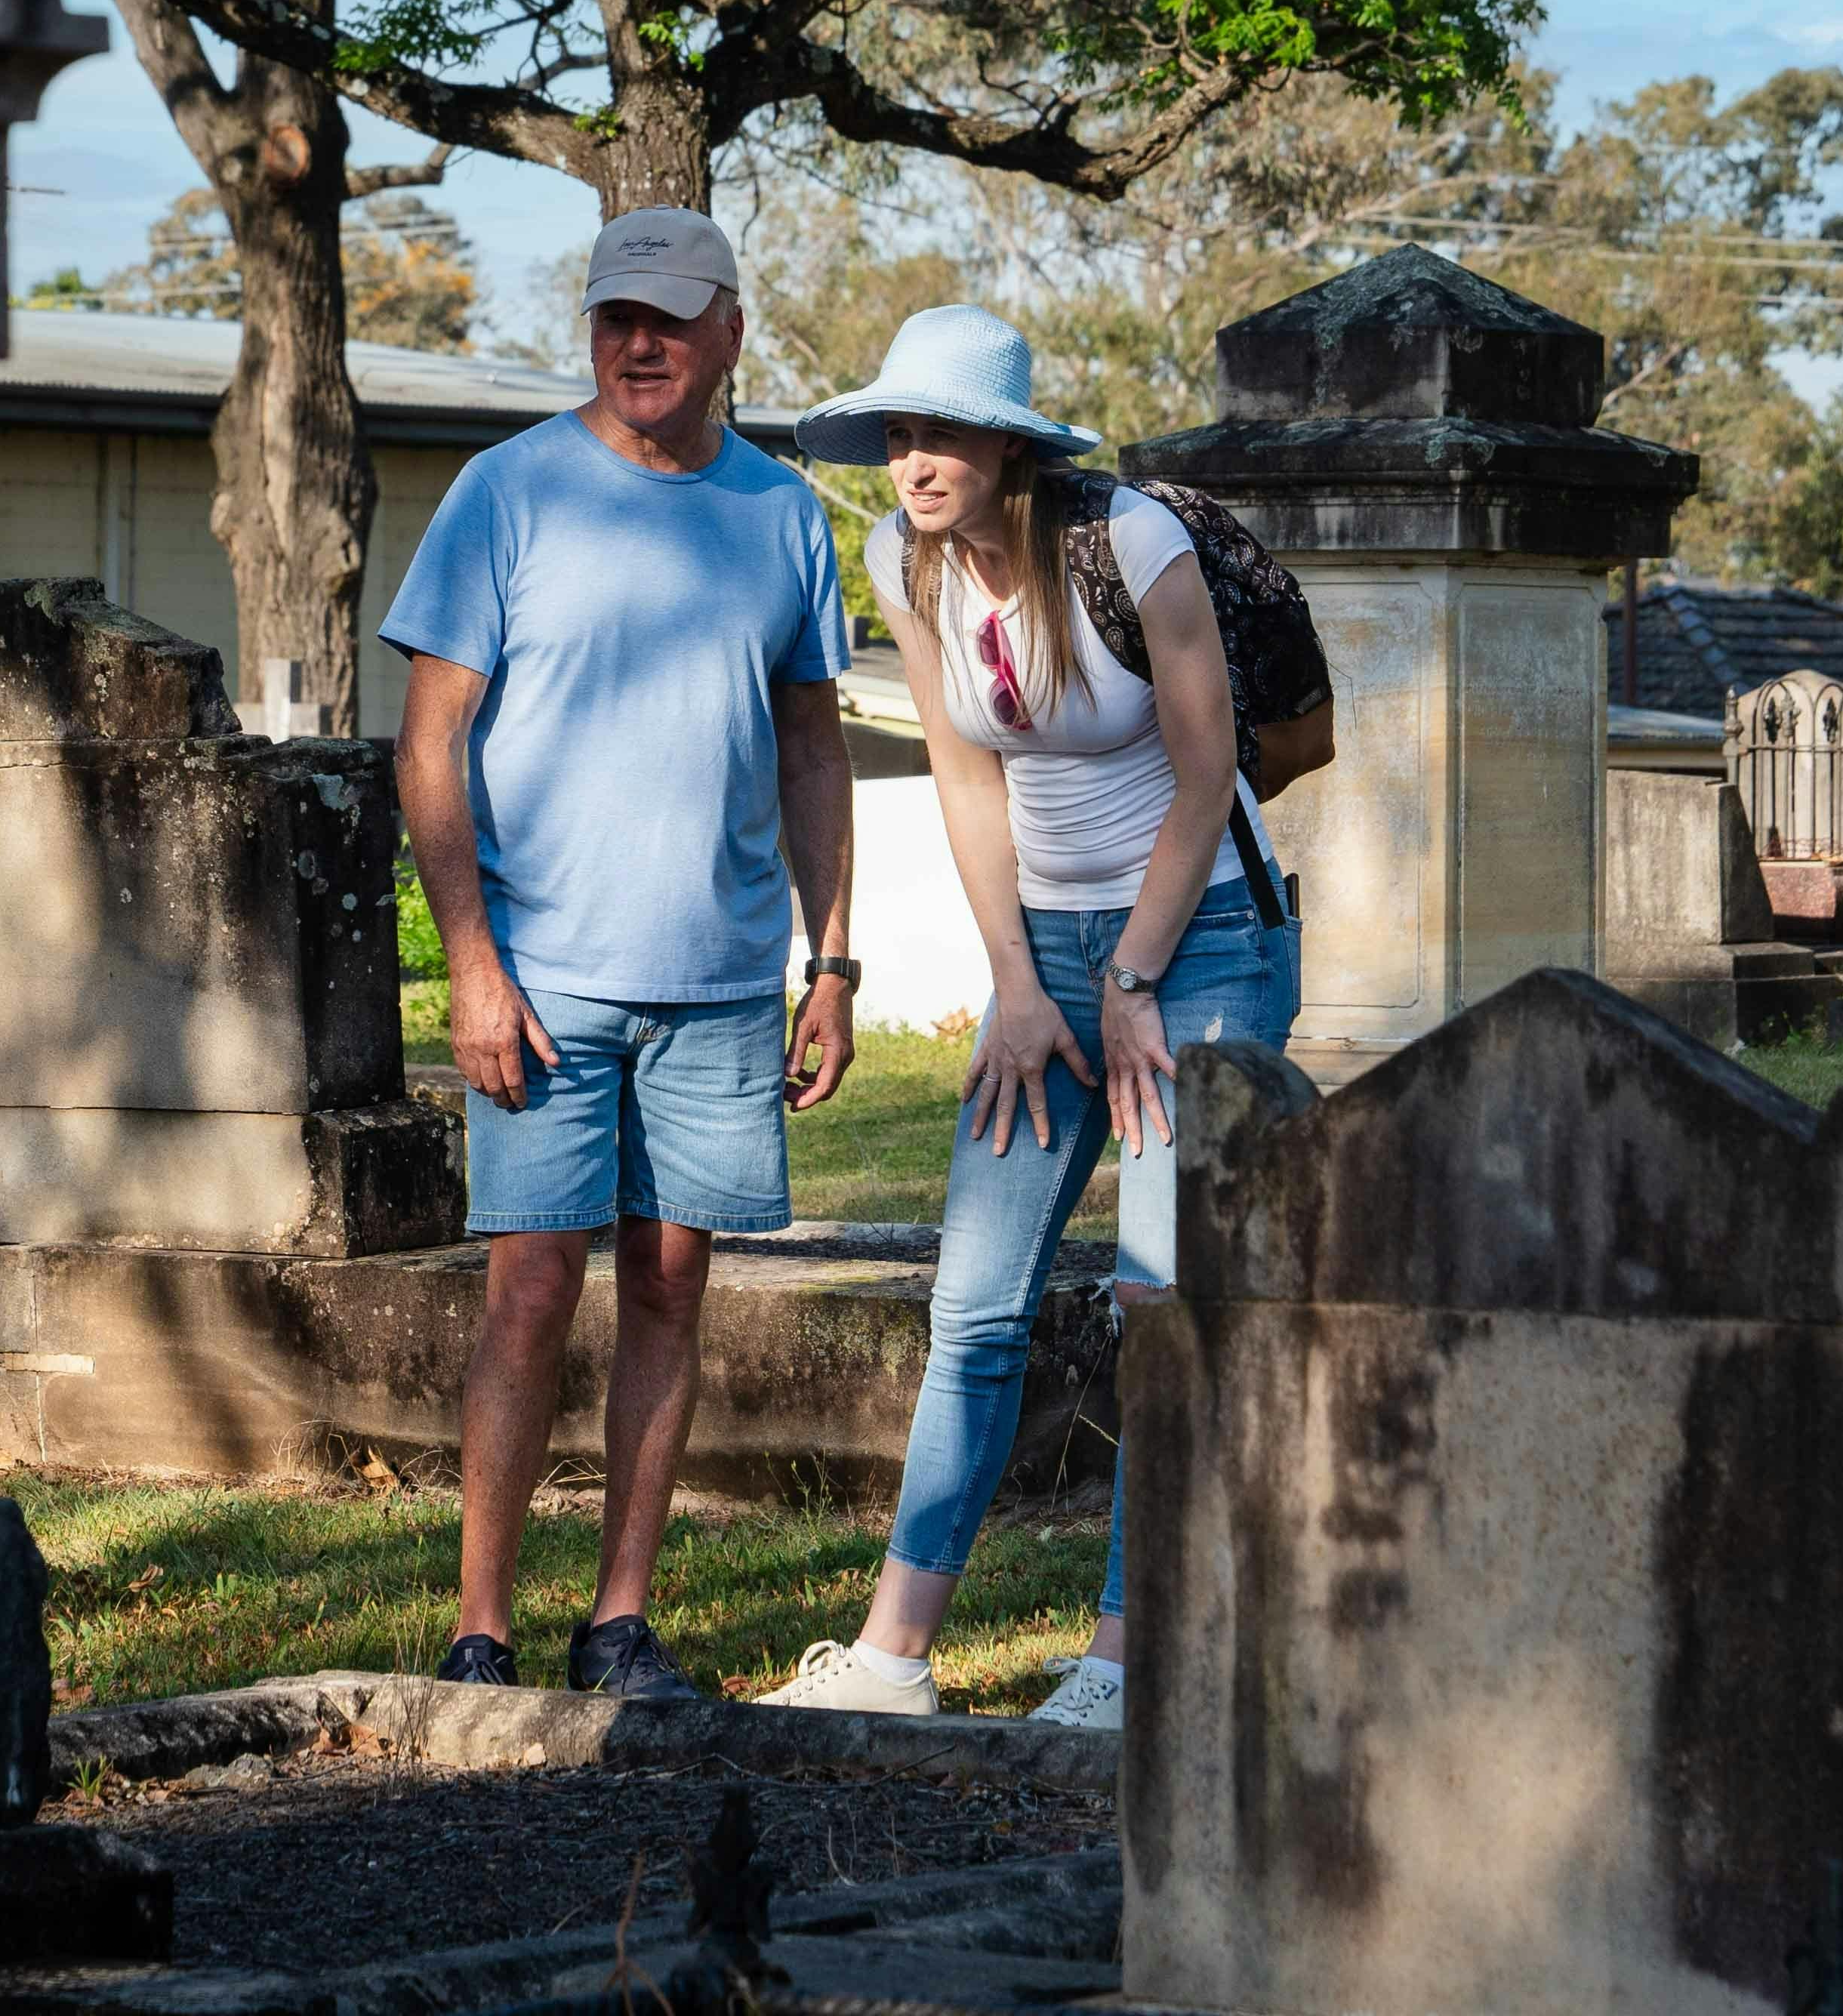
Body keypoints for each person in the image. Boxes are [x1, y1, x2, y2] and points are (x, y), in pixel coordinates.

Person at [757, 302, 1297, 1727]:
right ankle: (892, 1658)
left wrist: (1131, 978)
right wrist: (1013, 978)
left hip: (1208, 938)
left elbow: (1207, 774)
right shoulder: (902, 559)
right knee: (976, 1304)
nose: (914, 460)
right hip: (1043, 958)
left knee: (1157, 1297)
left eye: (942, 434)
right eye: (897, 434)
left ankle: (1123, 1663)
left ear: (1009, 448)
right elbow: (966, 776)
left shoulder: (1130, 545)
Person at [382, 205, 861, 1703]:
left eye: (666, 317)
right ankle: (479, 1629)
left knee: (669, 1285)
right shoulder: (506, 492)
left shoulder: (783, 512)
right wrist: (470, 959)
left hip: (718, 980)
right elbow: (430, 738)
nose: (637, 343)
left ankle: (621, 1623)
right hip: (543, 974)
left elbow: (810, 745)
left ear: (731, 330)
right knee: (530, 1287)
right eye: (612, 319)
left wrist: (832, 959)